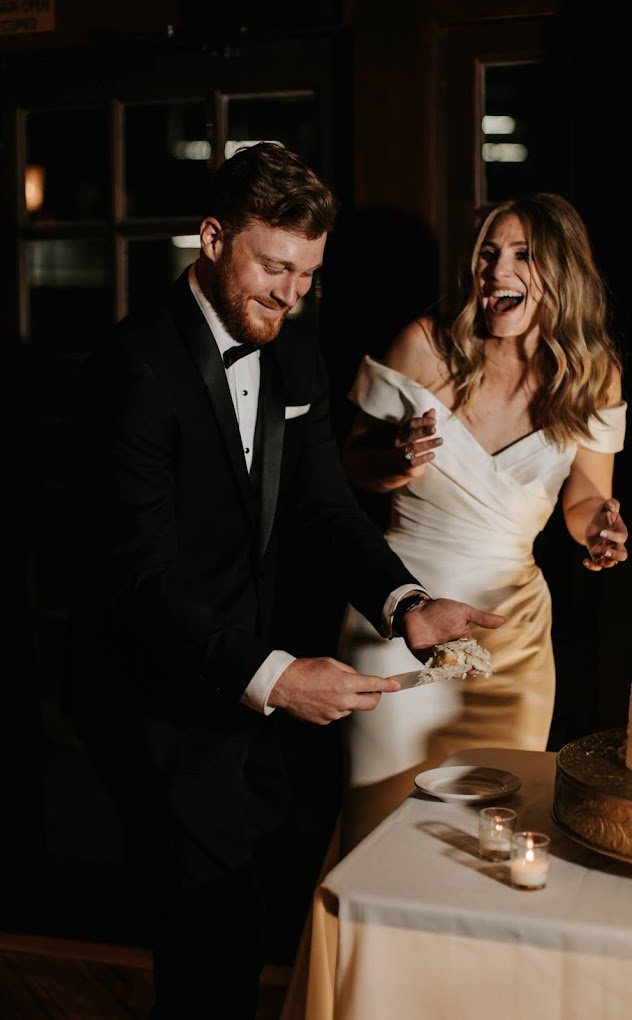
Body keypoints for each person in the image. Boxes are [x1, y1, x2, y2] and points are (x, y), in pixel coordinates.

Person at [66, 142, 503, 1020]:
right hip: (162, 685)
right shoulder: (133, 370)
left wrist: (406, 605)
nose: (291, 292)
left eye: (308, 273)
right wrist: (275, 674)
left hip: (254, 686)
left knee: (235, 922)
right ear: (213, 237)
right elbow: (139, 581)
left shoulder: (296, 354)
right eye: (274, 266)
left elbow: (325, 509)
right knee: (212, 931)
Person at [336, 191, 628, 852]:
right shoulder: (424, 345)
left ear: (562, 271)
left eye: (522, 256)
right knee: (381, 825)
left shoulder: (593, 376)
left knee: (493, 831)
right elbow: (353, 462)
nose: (497, 271)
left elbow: (585, 500)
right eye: (489, 253)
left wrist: (600, 530)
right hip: (396, 616)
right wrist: (397, 463)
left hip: (511, 636)